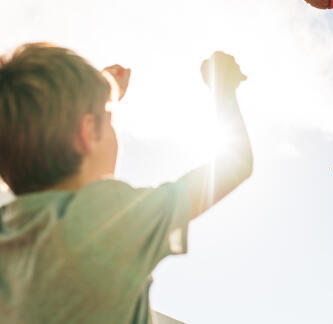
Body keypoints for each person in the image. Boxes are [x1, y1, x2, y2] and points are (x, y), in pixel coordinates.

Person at [0, 43, 253, 323]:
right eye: (109, 120)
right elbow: (235, 164)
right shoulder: (105, 220)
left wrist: (105, 93)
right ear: (87, 131)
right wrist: (224, 88)